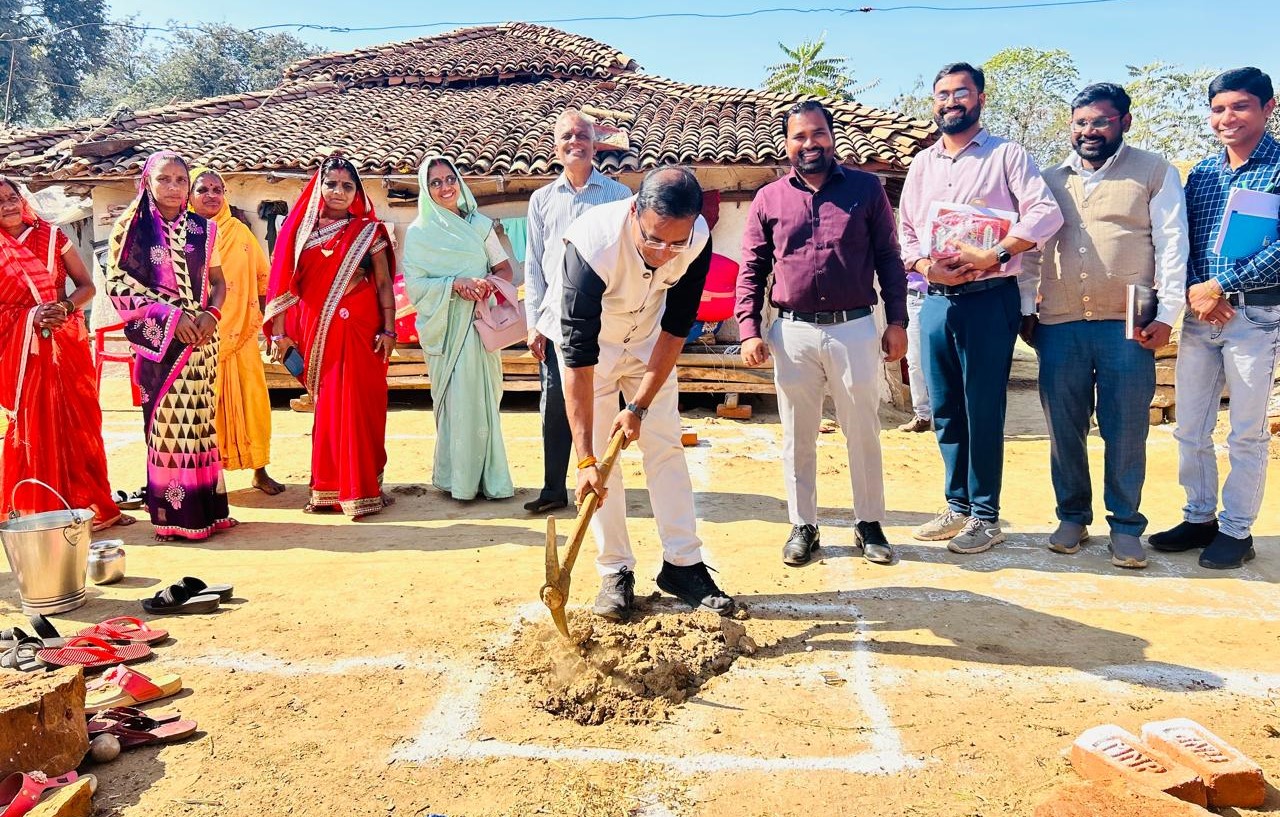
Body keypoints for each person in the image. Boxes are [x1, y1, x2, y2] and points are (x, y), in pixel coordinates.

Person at [537, 166, 734, 619]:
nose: (666, 253)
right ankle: (615, 571)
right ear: (634, 213)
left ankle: (683, 565)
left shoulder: (695, 238)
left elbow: (677, 326)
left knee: (664, 446)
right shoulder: (591, 248)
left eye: (675, 243)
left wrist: (640, 406)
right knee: (605, 468)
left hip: (648, 342)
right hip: (594, 352)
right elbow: (577, 359)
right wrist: (585, 460)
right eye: (654, 240)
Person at [898, 61, 1064, 554]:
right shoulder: (923, 164)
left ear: (981, 98)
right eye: (943, 93)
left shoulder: (1007, 155)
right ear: (934, 103)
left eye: (961, 93)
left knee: (983, 408)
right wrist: (929, 268)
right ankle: (957, 506)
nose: (951, 101)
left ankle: (986, 516)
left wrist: (995, 254)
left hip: (991, 299)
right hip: (935, 300)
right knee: (946, 408)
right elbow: (905, 233)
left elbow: (1045, 212)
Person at [1024, 83, 1188, 569]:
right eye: (1080, 123)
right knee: (1064, 428)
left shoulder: (1154, 172)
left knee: (1125, 428)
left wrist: (1166, 314)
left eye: (1100, 122)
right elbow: (1030, 251)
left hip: (1128, 327)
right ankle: (1072, 515)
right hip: (1059, 325)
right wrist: (1025, 309)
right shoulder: (1048, 179)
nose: (1089, 131)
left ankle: (1126, 525)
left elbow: (1173, 245)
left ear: (1124, 123)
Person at [737, 100, 908, 568]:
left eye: (817, 134)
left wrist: (897, 321)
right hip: (791, 334)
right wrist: (750, 329)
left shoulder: (865, 189)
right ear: (786, 143)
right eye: (799, 136)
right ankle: (803, 525)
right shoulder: (769, 199)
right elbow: (752, 268)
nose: (809, 143)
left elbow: (890, 259)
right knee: (797, 433)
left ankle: (869, 523)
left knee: (863, 430)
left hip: (855, 328)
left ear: (832, 137)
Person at [1149, 67, 1280, 570]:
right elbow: (1182, 244)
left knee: (1245, 430)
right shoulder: (1201, 173)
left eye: (1241, 106)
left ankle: (1237, 530)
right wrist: (1194, 291)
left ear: (1269, 108)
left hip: (1257, 316)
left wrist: (1222, 286)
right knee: (1191, 427)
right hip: (1202, 319)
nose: (1228, 118)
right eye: (1219, 109)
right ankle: (1199, 517)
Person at [105, 151, 234, 540]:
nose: (174, 187)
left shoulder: (203, 229)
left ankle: (208, 512)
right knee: (166, 429)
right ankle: (175, 517)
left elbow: (219, 282)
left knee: (199, 425)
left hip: (202, 340)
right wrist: (172, 318)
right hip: (162, 344)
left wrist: (211, 315)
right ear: (147, 181)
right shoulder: (131, 227)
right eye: (165, 179)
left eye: (181, 179)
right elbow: (117, 286)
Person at [264, 155, 397, 518]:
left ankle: (365, 487)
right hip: (317, 331)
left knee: (363, 405)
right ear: (319, 187)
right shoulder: (299, 232)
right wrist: (279, 333)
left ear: (357, 192)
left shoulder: (369, 231)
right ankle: (328, 489)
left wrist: (389, 328)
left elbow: (383, 282)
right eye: (332, 184)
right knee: (329, 408)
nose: (338, 191)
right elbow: (282, 286)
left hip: (364, 329)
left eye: (347, 186)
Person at [0, 177, 130, 531]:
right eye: (0, 201)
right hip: (22, 349)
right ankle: (36, 507)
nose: (9, 205)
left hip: (66, 343)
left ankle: (88, 502)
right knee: (32, 425)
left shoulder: (52, 236)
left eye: (13, 197)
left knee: (79, 420)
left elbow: (87, 285)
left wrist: (63, 306)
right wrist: (30, 316)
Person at [523, 110, 631, 514]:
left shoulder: (619, 197)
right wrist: (534, 324)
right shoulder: (542, 200)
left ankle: (602, 482)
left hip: (606, 319)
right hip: (555, 321)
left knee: (605, 402)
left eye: (582, 134)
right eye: (567, 135)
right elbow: (533, 266)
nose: (575, 141)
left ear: (594, 143)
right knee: (554, 404)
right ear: (556, 146)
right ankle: (553, 489)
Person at [402, 156, 515, 502]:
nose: (444, 187)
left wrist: (485, 285)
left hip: (479, 325)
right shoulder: (419, 234)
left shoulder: (479, 225)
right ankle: (457, 479)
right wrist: (454, 284)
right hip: (445, 329)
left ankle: (490, 480)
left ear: (460, 182)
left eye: (449, 179)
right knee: (455, 403)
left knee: (481, 401)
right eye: (435, 182)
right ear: (426, 189)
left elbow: (506, 270)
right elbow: (416, 287)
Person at [189, 167, 283, 495]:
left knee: (253, 402)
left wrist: (266, 321)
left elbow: (262, 277)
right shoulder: (181, 235)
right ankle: (213, 478)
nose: (212, 195)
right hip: (200, 337)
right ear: (190, 195)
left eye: (218, 189)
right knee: (205, 408)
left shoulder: (240, 233)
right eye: (203, 189)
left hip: (242, 333)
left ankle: (260, 469)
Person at [897, 270, 933, 433]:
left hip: (950, 295)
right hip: (916, 296)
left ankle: (947, 414)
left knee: (949, 360)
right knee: (915, 361)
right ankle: (923, 415)